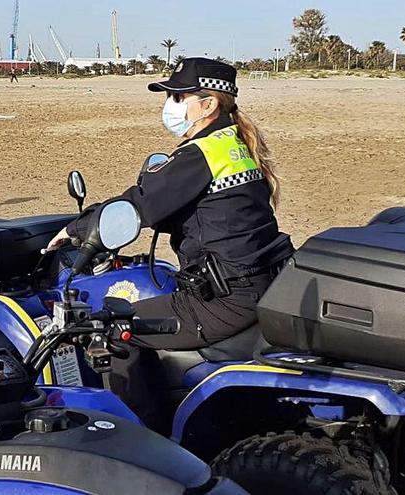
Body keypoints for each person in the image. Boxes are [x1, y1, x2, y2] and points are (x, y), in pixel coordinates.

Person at [48, 58, 294, 429]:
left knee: (115, 329)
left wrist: (77, 229)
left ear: (208, 104)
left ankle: (146, 439)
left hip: (226, 298)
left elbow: (141, 204)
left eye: (179, 96)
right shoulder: (233, 144)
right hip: (264, 283)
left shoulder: (200, 154)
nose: (171, 104)